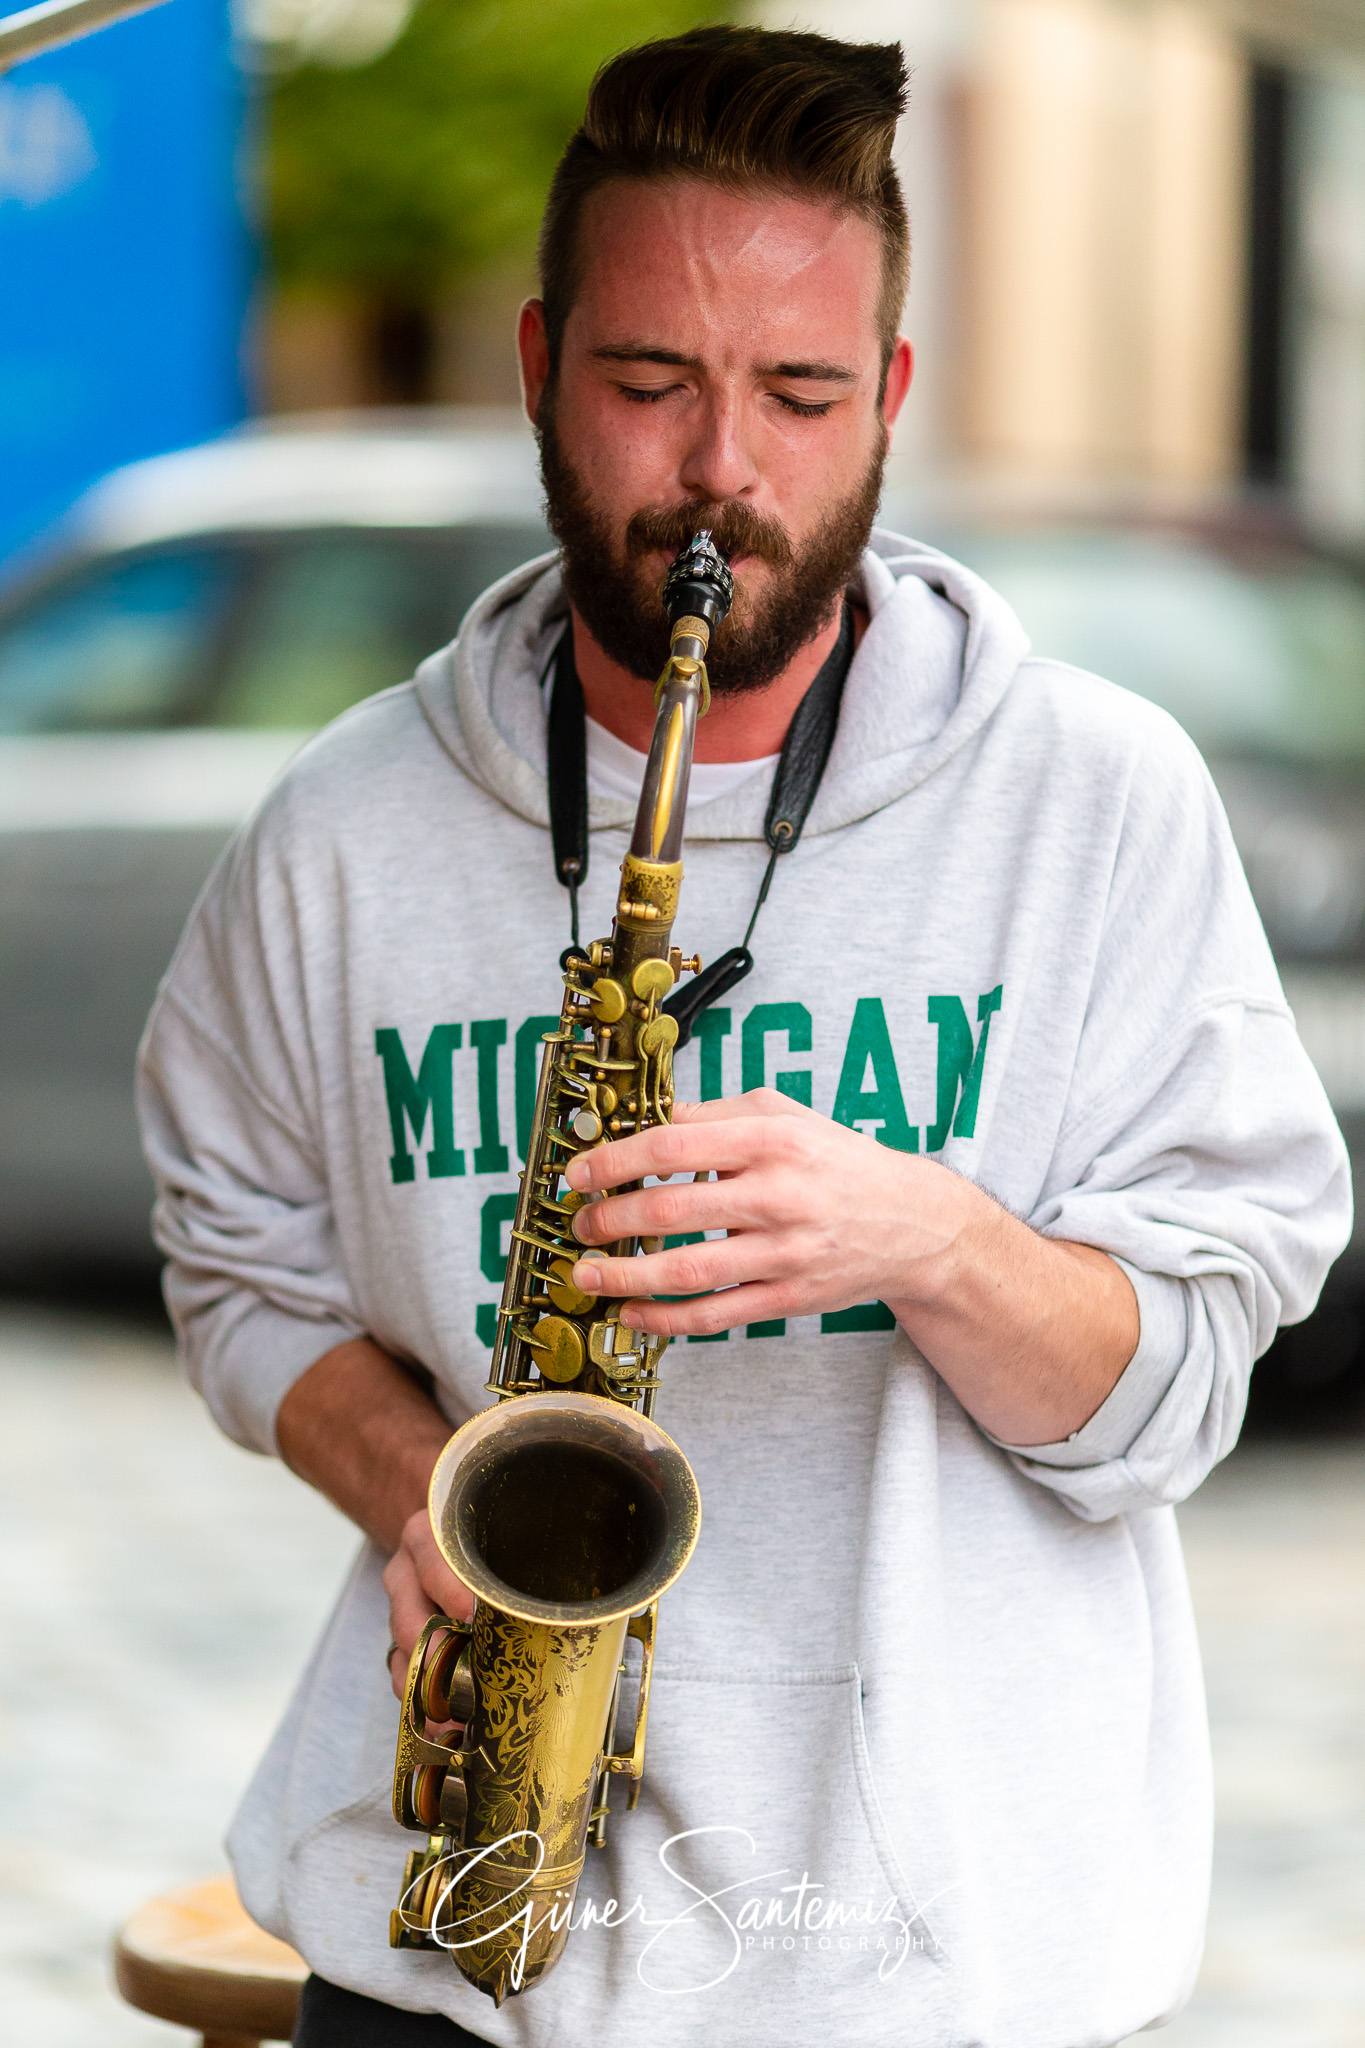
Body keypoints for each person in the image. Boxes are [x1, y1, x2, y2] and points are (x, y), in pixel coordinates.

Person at [138, 24, 1349, 2048]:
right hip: (446, 1957)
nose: (722, 470)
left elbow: (1183, 1389)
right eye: (648, 384)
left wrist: (926, 1237)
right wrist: (426, 1486)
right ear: (539, 368)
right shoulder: (340, 829)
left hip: (939, 1974)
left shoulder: (1096, 801)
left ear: (888, 396)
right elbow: (235, 1267)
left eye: (797, 394)